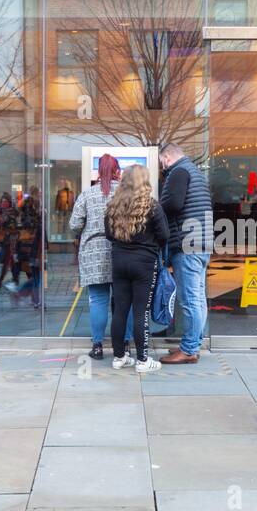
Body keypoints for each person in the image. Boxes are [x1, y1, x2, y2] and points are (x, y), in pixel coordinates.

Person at [106, 164, 169, 373]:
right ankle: (143, 360)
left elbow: (108, 234)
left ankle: (119, 357)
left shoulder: (114, 205)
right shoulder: (152, 206)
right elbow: (165, 235)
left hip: (119, 261)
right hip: (144, 264)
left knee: (120, 310)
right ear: (145, 181)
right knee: (140, 311)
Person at [158, 142, 213, 364]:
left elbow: (173, 204)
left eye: (162, 162)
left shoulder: (178, 172)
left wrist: (157, 206)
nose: (162, 167)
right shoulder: (195, 172)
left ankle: (189, 349)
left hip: (187, 244)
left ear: (167, 158)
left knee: (190, 300)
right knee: (198, 298)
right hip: (201, 244)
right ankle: (194, 344)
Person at [69, 155, 120, 359]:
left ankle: (98, 346)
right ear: (117, 170)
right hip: (121, 251)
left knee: (98, 300)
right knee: (123, 301)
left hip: (93, 252)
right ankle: (123, 344)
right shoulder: (125, 194)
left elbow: (74, 225)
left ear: (99, 171)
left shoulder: (87, 195)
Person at [0, 192, 20, 289]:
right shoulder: (0, 211)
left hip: (11, 239)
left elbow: (6, 222)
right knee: (9, 260)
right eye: (2, 202)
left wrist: (0, 216)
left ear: (9, 203)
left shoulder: (11, 212)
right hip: (4, 239)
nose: (3, 203)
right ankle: (13, 279)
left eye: (5, 202)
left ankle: (2, 279)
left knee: (8, 259)